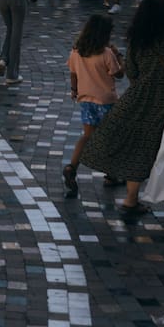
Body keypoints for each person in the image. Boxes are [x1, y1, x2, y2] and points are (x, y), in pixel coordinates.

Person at [79, 0, 164, 218]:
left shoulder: (137, 38)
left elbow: (133, 73)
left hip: (139, 97)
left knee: (140, 149)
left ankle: (130, 200)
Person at [61, 14, 124, 198]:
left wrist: (74, 89)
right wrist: (119, 56)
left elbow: (73, 73)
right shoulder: (106, 53)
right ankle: (111, 174)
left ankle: (72, 166)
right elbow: (119, 74)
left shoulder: (76, 51)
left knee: (87, 136)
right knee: (111, 136)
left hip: (86, 100)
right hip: (106, 101)